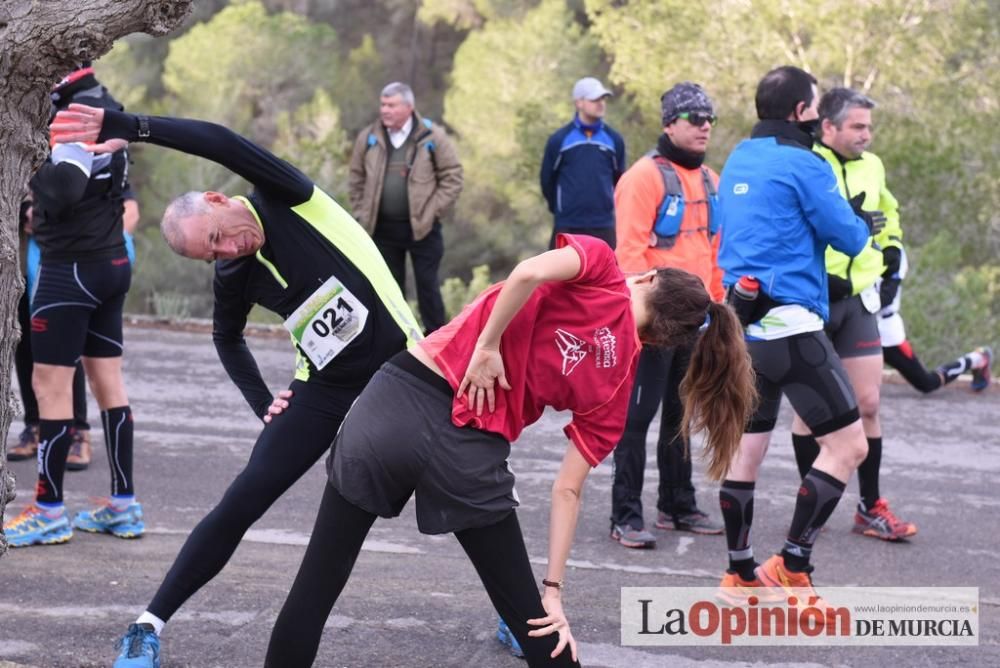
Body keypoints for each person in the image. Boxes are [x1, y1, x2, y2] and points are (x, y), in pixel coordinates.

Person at [262, 233, 755, 667]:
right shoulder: (618, 387)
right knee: (538, 626)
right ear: (657, 343)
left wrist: (488, 344)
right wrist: (553, 593)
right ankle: (542, 619)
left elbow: (529, 272)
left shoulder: (601, 266)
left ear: (647, 276)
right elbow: (567, 491)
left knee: (316, 588)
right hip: (468, 454)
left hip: (395, 403)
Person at [46, 101, 422, 668]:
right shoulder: (233, 271)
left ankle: (519, 609)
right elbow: (227, 339)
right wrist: (264, 404)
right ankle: (148, 624)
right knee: (242, 498)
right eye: (212, 253)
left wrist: (138, 128)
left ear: (219, 202)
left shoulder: (287, 197)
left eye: (218, 237)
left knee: (461, 484)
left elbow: (220, 141)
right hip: (324, 388)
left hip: (404, 365)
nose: (226, 251)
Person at [714, 66, 879, 603]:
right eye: (812, 105)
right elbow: (850, 239)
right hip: (793, 328)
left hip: (738, 329)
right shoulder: (805, 164)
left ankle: (738, 573)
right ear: (801, 112)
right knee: (849, 446)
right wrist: (857, 220)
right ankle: (793, 562)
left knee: (747, 453)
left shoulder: (738, 156)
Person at [3, 65, 140, 548]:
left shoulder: (77, 113)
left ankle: (48, 509)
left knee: (50, 388)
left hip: (71, 268)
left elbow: (64, 188)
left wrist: (32, 156)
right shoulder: (109, 104)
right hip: (109, 261)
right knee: (109, 383)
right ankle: (123, 505)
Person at [788, 87, 916, 541]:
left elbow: (889, 212)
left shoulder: (873, 165)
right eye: (858, 126)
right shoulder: (806, 165)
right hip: (814, 302)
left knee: (868, 404)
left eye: (868, 126)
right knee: (811, 414)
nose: (867, 134)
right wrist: (821, 276)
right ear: (828, 127)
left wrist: (893, 254)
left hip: (861, 298)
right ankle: (814, 506)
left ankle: (869, 507)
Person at [608, 82, 725, 549]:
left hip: (696, 321)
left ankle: (678, 505)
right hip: (654, 323)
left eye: (710, 118)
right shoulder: (643, 178)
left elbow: (715, 252)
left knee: (682, 416)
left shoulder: (712, 180)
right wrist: (646, 322)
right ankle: (626, 515)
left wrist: (715, 310)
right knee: (636, 419)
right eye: (695, 118)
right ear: (669, 124)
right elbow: (630, 258)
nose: (705, 126)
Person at [10, 190, 140, 470]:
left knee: (70, 352)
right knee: (24, 344)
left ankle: (78, 431)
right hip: (18, 266)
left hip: (68, 265)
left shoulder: (88, 155)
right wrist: (26, 214)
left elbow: (129, 210)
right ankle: (35, 426)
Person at [348, 81, 463, 334]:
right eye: (382, 104)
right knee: (388, 291)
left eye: (391, 105)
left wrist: (433, 212)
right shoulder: (368, 137)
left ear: (409, 107)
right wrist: (361, 212)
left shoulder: (432, 137)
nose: (385, 110)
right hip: (380, 231)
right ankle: (395, 345)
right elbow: (355, 178)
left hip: (423, 229)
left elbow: (453, 176)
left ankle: (437, 345)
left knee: (428, 289)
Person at [878, 253, 992, 393]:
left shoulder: (894, 249)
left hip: (886, 331)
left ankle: (977, 359)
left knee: (926, 383)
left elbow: (886, 297)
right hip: (857, 326)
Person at [539, 77, 626, 249]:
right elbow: (547, 180)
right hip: (568, 223)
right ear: (579, 103)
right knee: (559, 276)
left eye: (602, 99)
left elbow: (620, 181)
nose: (600, 103)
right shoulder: (559, 140)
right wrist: (561, 210)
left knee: (607, 275)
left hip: (604, 224)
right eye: (594, 99)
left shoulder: (614, 140)